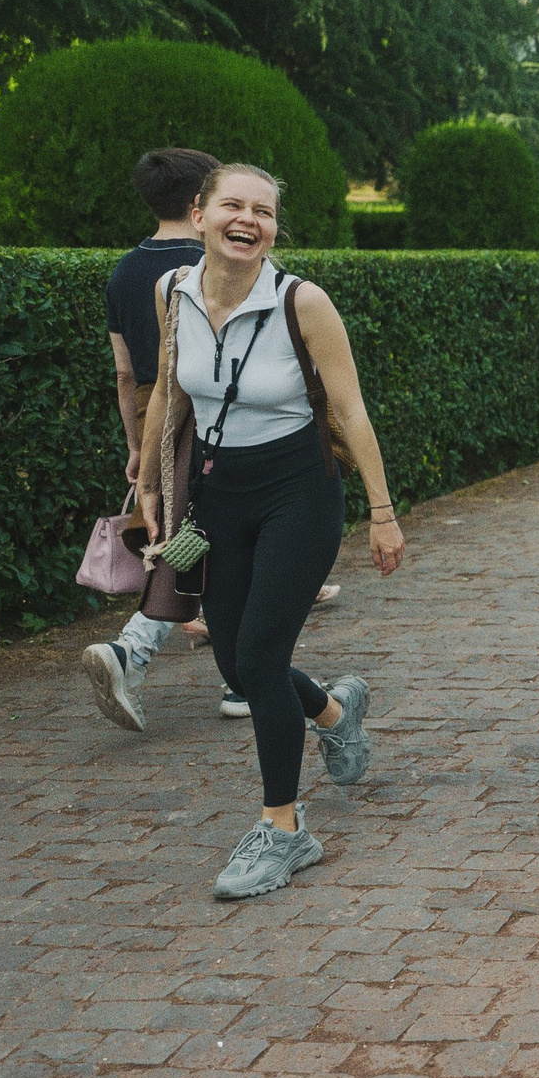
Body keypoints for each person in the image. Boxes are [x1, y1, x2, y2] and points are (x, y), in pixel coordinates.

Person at [133, 164, 406, 900]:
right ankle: (334, 712)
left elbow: (350, 409)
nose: (247, 220)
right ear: (199, 215)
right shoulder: (171, 291)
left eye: (263, 211)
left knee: (258, 654)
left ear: (274, 227)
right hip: (216, 496)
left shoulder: (301, 301)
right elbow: (167, 390)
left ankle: (284, 829)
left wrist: (382, 512)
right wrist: (148, 484)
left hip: (298, 493)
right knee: (235, 660)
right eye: (233, 205)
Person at [82, 148, 214, 731]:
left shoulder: (123, 271)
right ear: (200, 202)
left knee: (193, 535)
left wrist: (137, 446)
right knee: (212, 534)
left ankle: (238, 676)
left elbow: (124, 373)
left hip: (149, 407)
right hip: (203, 408)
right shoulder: (216, 263)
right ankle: (132, 650)